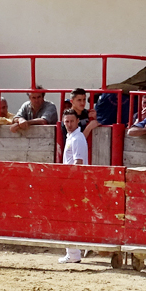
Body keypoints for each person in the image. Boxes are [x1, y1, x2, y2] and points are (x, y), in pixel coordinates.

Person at [58, 108, 89, 264]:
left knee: (69, 218)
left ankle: (74, 253)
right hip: (72, 182)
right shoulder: (73, 137)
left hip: (74, 183)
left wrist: (70, 183)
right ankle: (75, 251)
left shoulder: (77, 139)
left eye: (71, 121)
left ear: (78, 121)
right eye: (66, 122)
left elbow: (78, 163)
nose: (69, 124)